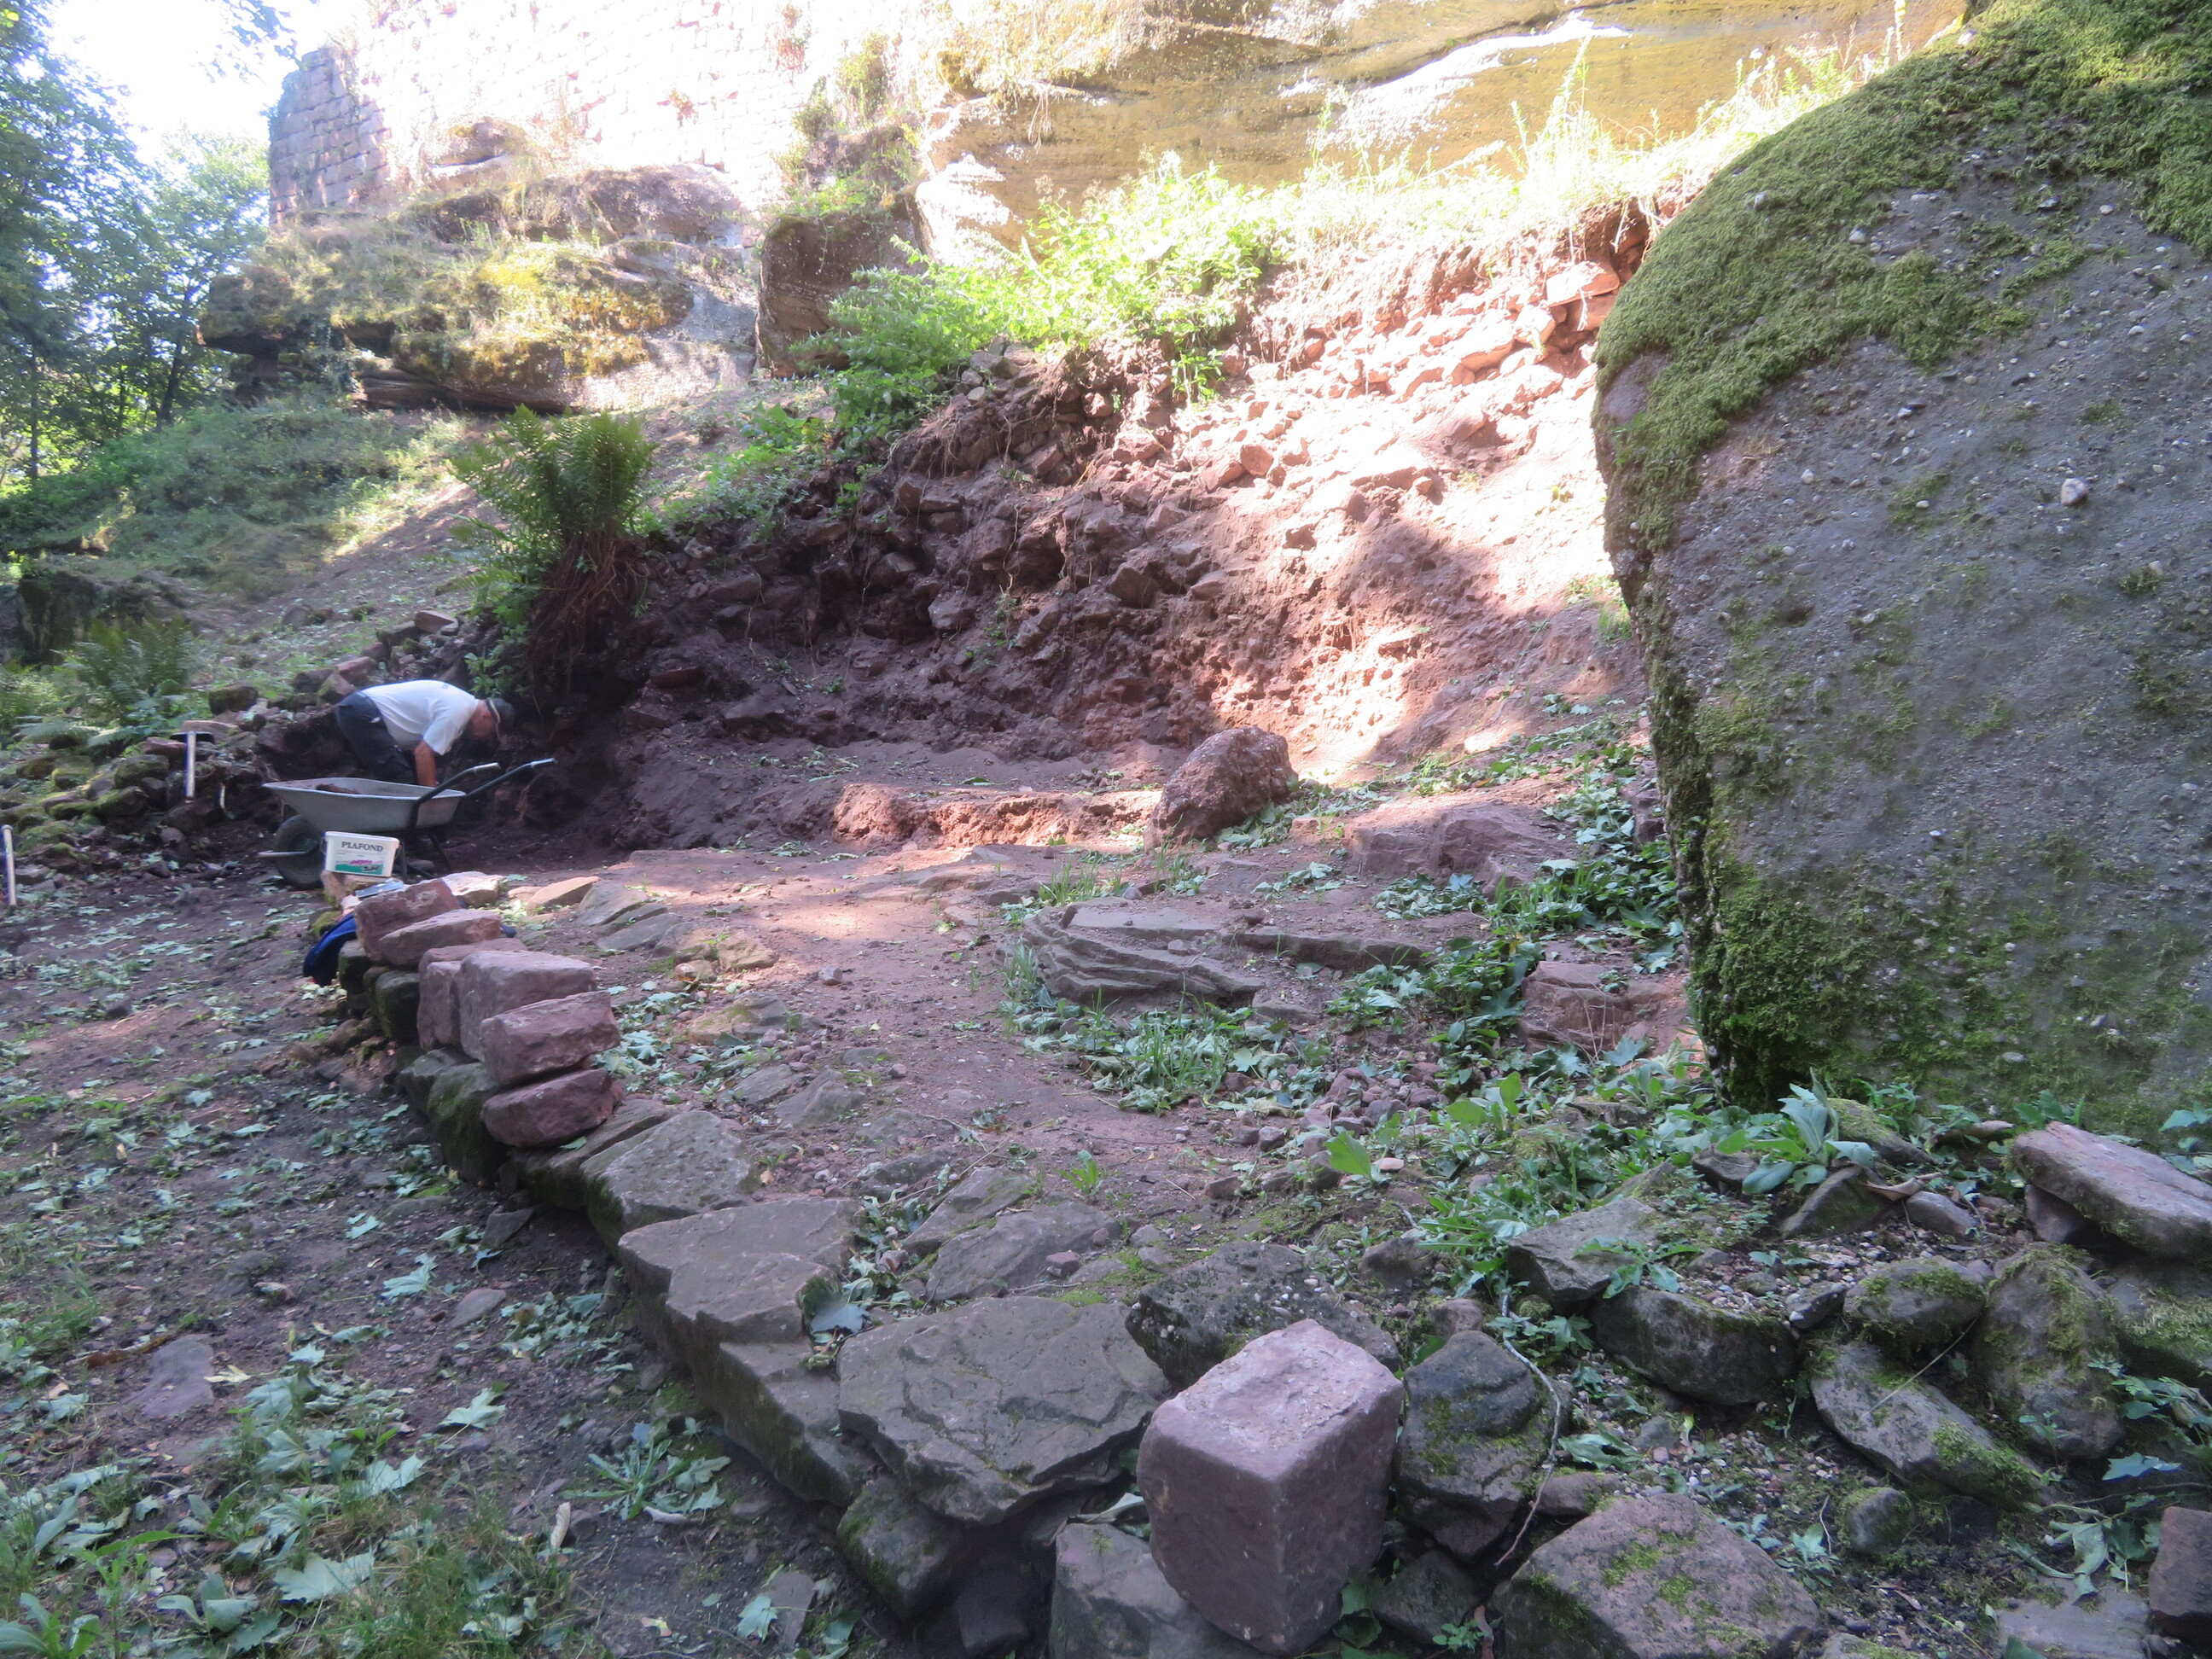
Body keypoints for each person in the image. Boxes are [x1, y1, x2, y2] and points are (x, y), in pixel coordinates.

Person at [335, 680, 512, 786]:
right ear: (488, 716)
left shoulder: (461, 704)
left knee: (406, 776)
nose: (489, 737)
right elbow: (423, 753)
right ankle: (405, 832)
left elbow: (419, 754)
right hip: (363, 713)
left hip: (361, 710)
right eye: (492, 732)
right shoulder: (457, 712)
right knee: (401, 780)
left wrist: (427, 784)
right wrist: (430, 795)